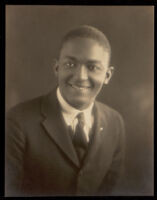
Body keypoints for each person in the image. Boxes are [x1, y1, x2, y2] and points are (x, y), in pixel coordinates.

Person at [5, 25, 125, 196]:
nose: (80, 76)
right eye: (70, 64)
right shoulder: (17, 122)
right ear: (56, 68)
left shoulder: (115, 123)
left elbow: (111, 188)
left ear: (107, 75)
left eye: (93, 67)